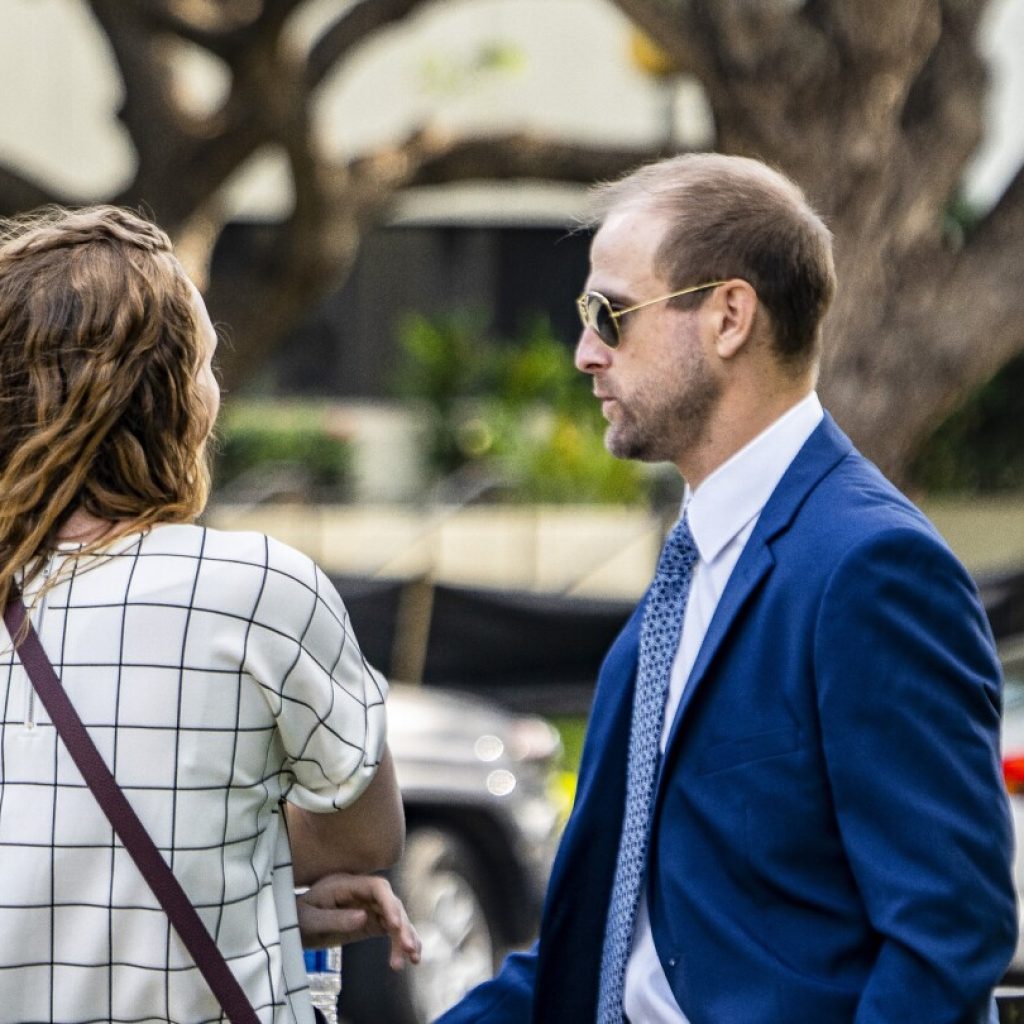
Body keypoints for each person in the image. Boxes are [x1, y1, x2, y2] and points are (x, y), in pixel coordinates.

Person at [437, 154, 1017, 1023]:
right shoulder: (681, 585)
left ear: (729, 317)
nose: (585, 351)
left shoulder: (872, 570)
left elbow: (950, 931)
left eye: (609, 313)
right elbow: (596, 950)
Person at [0, 205, 419, 1024]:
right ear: (167, 400)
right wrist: (257, 882)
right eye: (205, 363)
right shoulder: (254, 589)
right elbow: (359, 841)